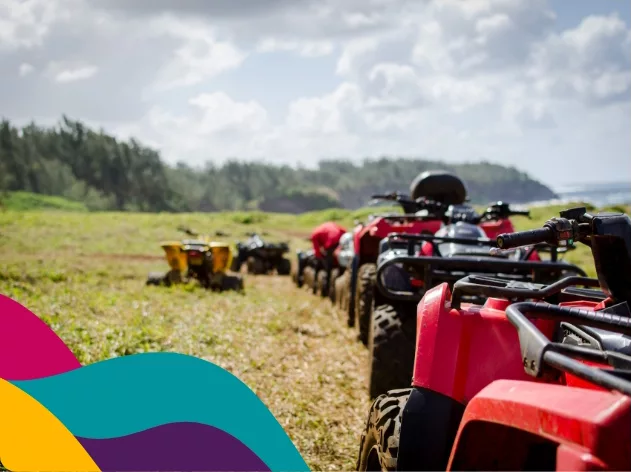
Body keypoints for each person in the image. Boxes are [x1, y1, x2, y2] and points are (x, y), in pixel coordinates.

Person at [311, 221, 347, 293]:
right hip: (341, 243)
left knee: (328, 268)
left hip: (332, 244)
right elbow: (345, 231)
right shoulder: (333, 225)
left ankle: (326, 289)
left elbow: (317, 251)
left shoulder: (315, 233)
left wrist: (321, 259)